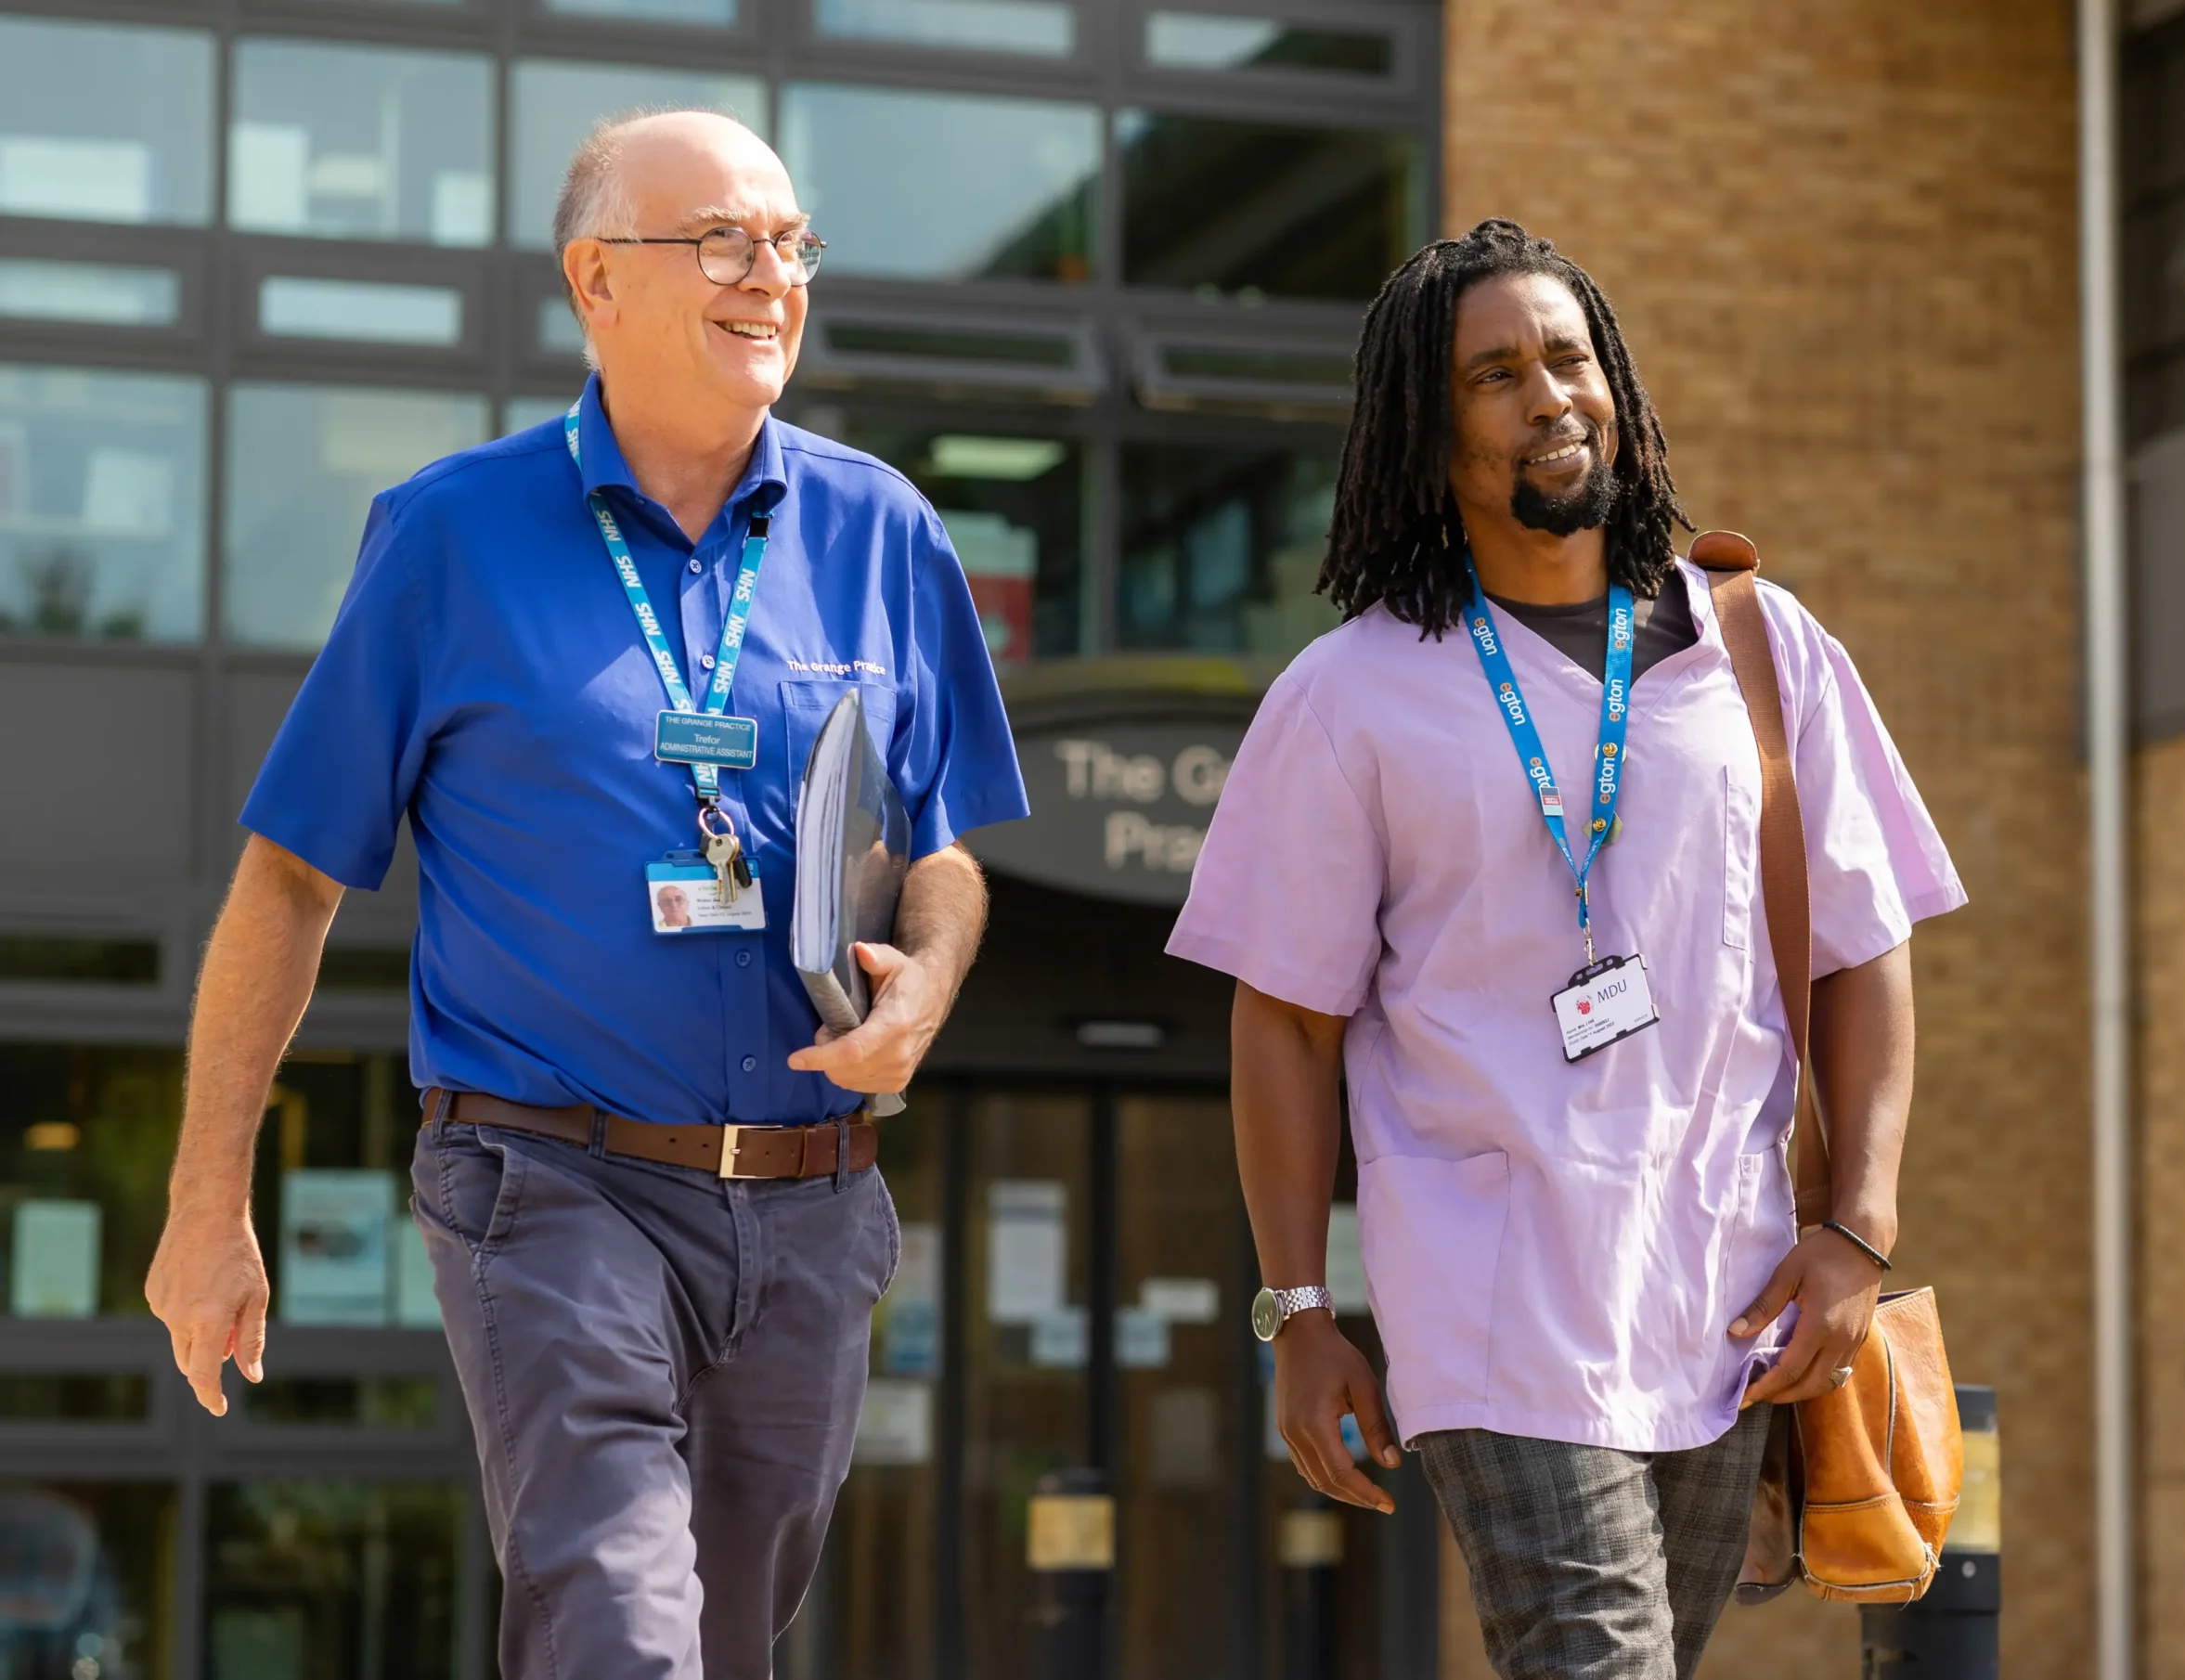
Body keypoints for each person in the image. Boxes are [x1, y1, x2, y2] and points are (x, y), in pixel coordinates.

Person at [142, 110, 1027, 1679]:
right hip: (553, 1185)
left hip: (816, 1203)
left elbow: (945, 848)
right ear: (595, 281)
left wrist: (928, 988)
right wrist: (209, 1199)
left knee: (721, 1644)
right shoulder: (448, 536)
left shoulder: (884, 529)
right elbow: (287, 875)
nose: (771, 276)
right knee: (623, 1626)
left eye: (791, 241)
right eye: (723, 241)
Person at [1167, 219, 1964, 1679]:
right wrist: (1297, 1310)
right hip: (1492, 1296)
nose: (1549, 397)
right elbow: (1283, 1023)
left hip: (1733, 1298)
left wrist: (1856, 1225)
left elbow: (1863, 944)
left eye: (1567, 357)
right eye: (1494, 375)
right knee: (1600, 1660)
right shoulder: (1348, 697)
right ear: (1426, 424)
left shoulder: (1763, 651)